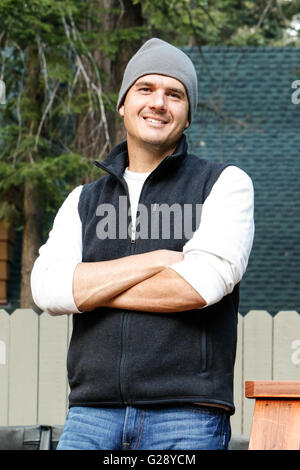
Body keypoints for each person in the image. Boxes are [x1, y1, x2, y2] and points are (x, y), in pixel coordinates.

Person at [31, 38, 254, 450]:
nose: (159, 103)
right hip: (90, 415)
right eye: (145, 89)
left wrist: (87, 290)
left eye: (175, 94)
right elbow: (47, 288)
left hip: (187, 416)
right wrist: (155, 260)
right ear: (122, 104)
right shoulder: (83, 200)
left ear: (187, 116)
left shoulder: (224, 184)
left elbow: (201, 285)